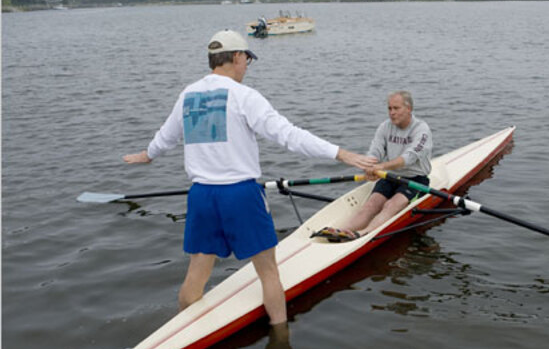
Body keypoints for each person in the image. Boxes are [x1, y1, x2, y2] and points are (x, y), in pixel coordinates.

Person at [123, 29, 376, 325]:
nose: (246, 67)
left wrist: (146, 155)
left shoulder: (188, 95)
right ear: (237, 56)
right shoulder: (244, 96)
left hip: (202, 196)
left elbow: (165, 139)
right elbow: (288, 135)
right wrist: (340, 154)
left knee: (196, 274)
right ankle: (281, 336)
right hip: (240, 195)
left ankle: (181, 333)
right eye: (247, 60)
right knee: (268, 272)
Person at [312, 91, 432, 242]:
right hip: (391, 176)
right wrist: (369, 166)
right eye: (389, 108)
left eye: (396, 108)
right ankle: (343, 232)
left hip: (416, 180)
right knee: (371, 205)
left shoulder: (421, 129)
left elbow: (409, 157)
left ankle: (364, 234)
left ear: (409, 109)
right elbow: (375, 151)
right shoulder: (385, 127)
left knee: (390, 205)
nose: (392, 113)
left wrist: (381, 167)